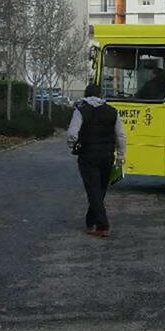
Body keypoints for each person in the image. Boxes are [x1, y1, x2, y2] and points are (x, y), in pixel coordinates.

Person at [67, 83, 126, 238]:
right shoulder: (112, 111)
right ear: (101, 95)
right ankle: (90, 221)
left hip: (88, 155)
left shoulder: (81, 110)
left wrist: (72, 145)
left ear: (86, 95)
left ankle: (102, 224)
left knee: (93, 189)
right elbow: (120, 135)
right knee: (100, 189)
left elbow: (72, 133)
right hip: (107, 156)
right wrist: (120, 155)